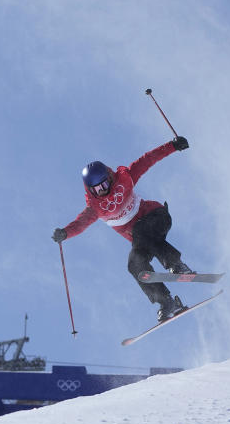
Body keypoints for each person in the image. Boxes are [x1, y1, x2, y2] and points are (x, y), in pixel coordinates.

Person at [52, 136, 193, 322]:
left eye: (104, 184)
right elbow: (80, 224)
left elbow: (147, 159)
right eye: (96, 189)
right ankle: (167, 302)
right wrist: (65, 233)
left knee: (140, 229)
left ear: (109, 177)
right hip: (143, 239)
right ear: (89, 190)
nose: (102, 190)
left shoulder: (124, 179)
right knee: (134, 264)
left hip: (157, 217)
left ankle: (177, 264)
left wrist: (173, 146)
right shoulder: (95, 208)